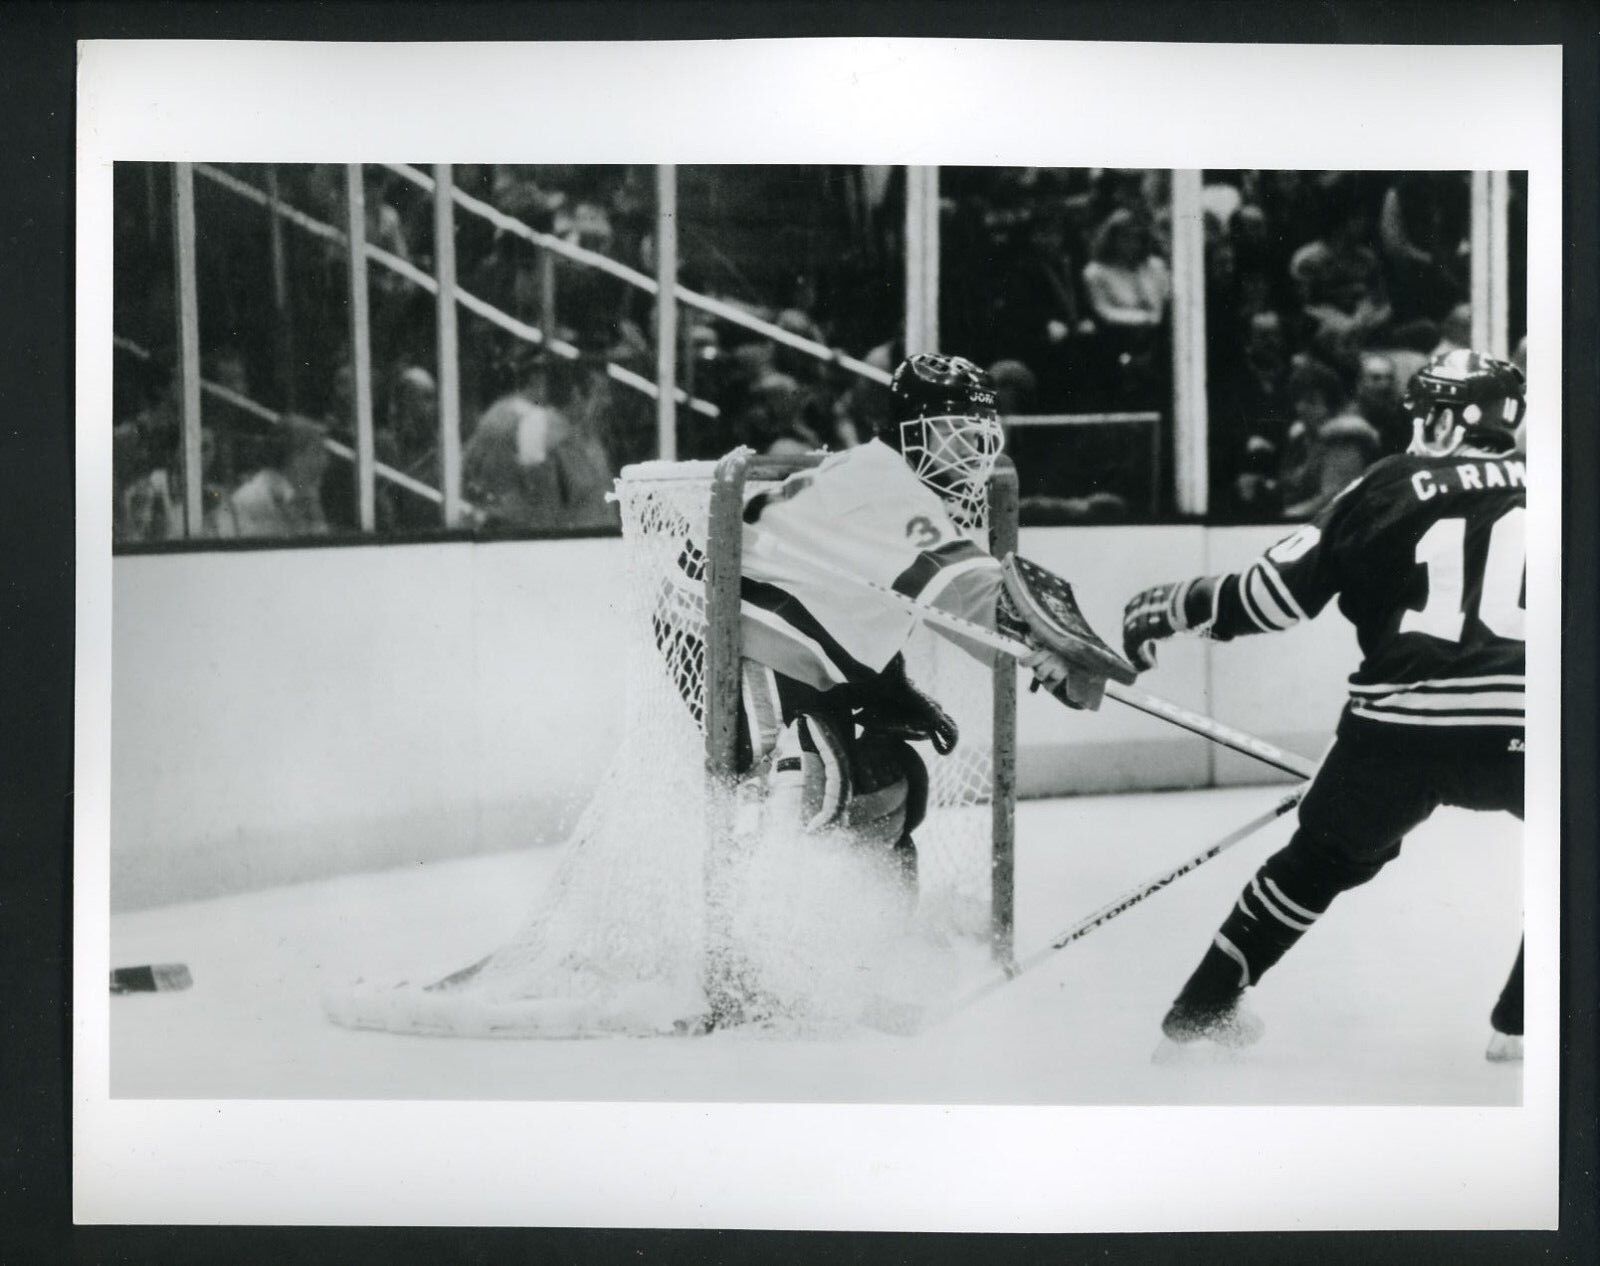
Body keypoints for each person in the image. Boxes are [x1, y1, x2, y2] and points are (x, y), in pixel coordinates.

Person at [659, 355, 1132, 1022]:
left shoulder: (882, 478)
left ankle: (849, 965)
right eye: (957, 434)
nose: (972, 452)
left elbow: (876, 599)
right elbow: (970, 594)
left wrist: (901, 682)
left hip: (773, 633)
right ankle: (743, 974)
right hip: (722, 633)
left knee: (891, 786)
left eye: (981, 436)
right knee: (804, 784)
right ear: (913, 430)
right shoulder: (891, 491)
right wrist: (1047, 655)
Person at [1121, 348, 1527, 1060]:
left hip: (1400, 726)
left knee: (1316, 863)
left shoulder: (1388, 482)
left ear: (1448, 418)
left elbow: (1269, 598)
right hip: (1537, 724)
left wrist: (1174, 607)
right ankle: (1520, 1029)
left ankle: (1199, 1012)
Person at [214, 414, 331, 539]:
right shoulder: (255, 498)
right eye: (317, 452)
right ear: (293, 455)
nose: (325, 462)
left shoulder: (304, 497)